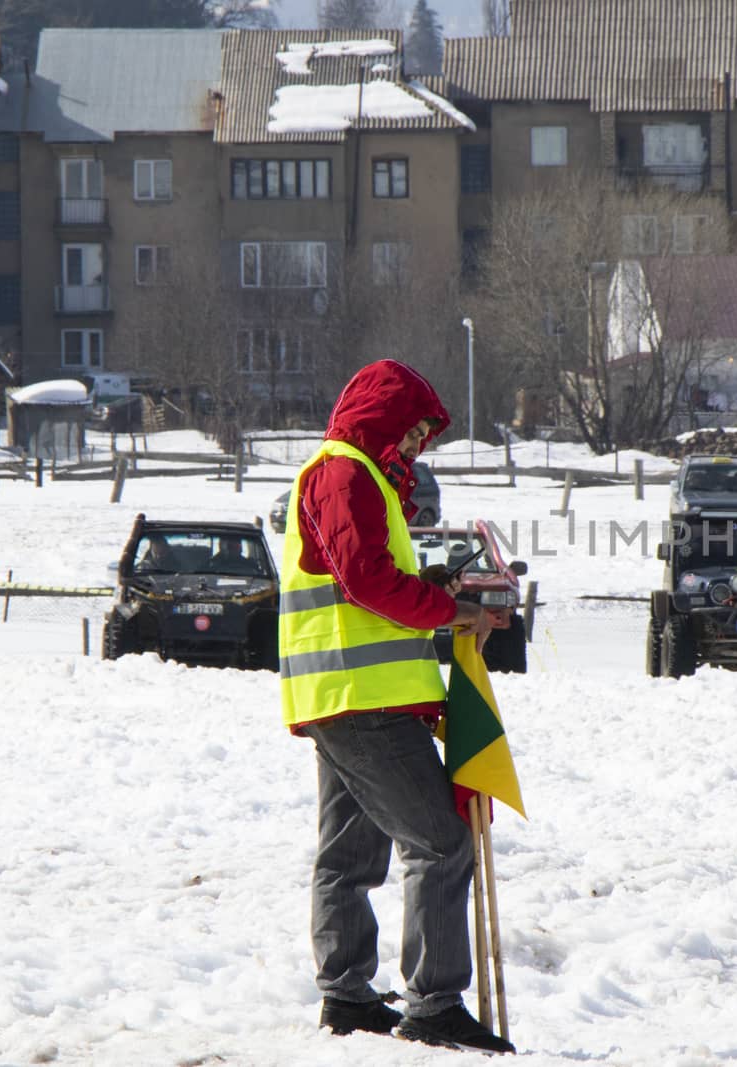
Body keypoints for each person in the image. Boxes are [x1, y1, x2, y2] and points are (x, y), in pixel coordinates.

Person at [278, 360, 512, 1054]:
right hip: (362, 701)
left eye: (420, 437)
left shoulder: (356, 475)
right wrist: (451, 609)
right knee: (441, 838)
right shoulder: (344, 471)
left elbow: (367, 576)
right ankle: (434, 1003)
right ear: (380, 418)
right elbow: (366, 580)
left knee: (349, 853)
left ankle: (347, 993)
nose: (414, 446)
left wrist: (439, 587)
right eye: (409, 431)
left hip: (342, 696)